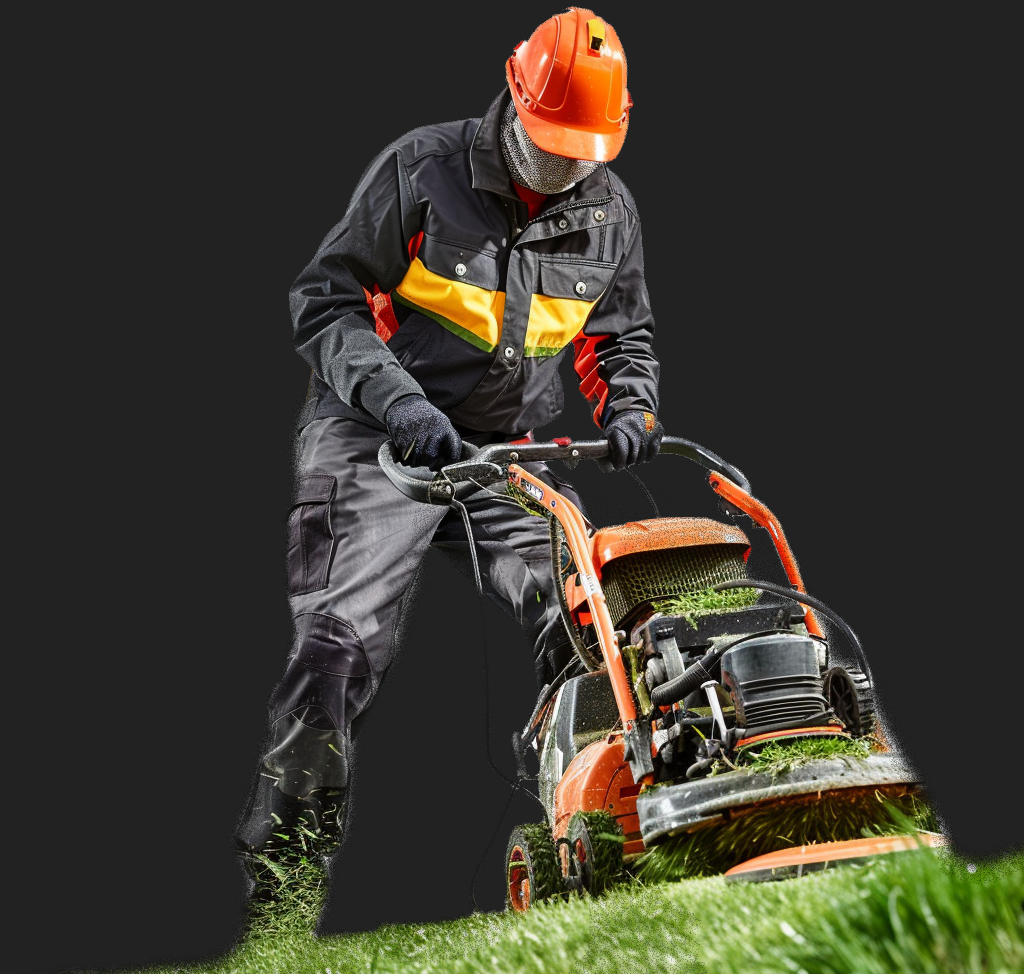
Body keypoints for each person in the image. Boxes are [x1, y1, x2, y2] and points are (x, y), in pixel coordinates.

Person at [234, 6, 663, 925]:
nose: (566, 168)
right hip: (376, 436)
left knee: (587, 621)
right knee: (337, 647)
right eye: (552, 148)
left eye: (585, 153)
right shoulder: (422, 170)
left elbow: (619, 338)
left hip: (506, 450)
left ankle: (602, 846)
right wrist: (400, 404)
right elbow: (327, 300)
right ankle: (283, 896)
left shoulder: (609, 211)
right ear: (514, 100)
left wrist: (631, 405)